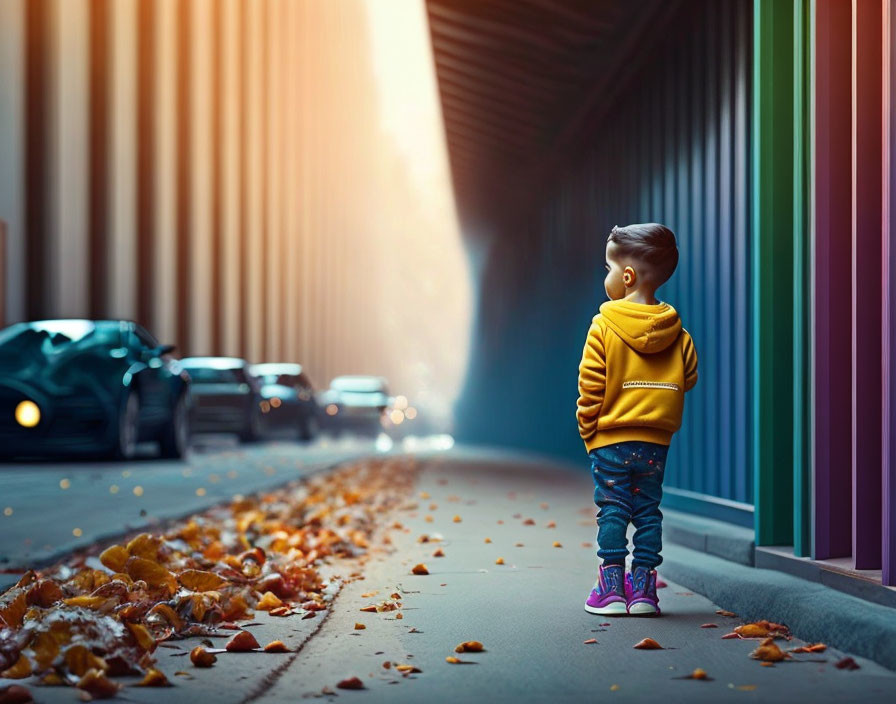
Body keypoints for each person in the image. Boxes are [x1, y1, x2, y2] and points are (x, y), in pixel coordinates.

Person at [576, 223, 697, 616]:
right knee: (648, 509)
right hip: (655, 442)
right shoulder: (677, 332)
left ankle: (611, 588)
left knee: (612, 507)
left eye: (608, 268)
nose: (606, 276)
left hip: (610, 438)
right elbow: (689, 375)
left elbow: (591, 384)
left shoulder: (604, 325)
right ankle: (644, 590)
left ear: (626, 276)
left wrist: (588, 426)